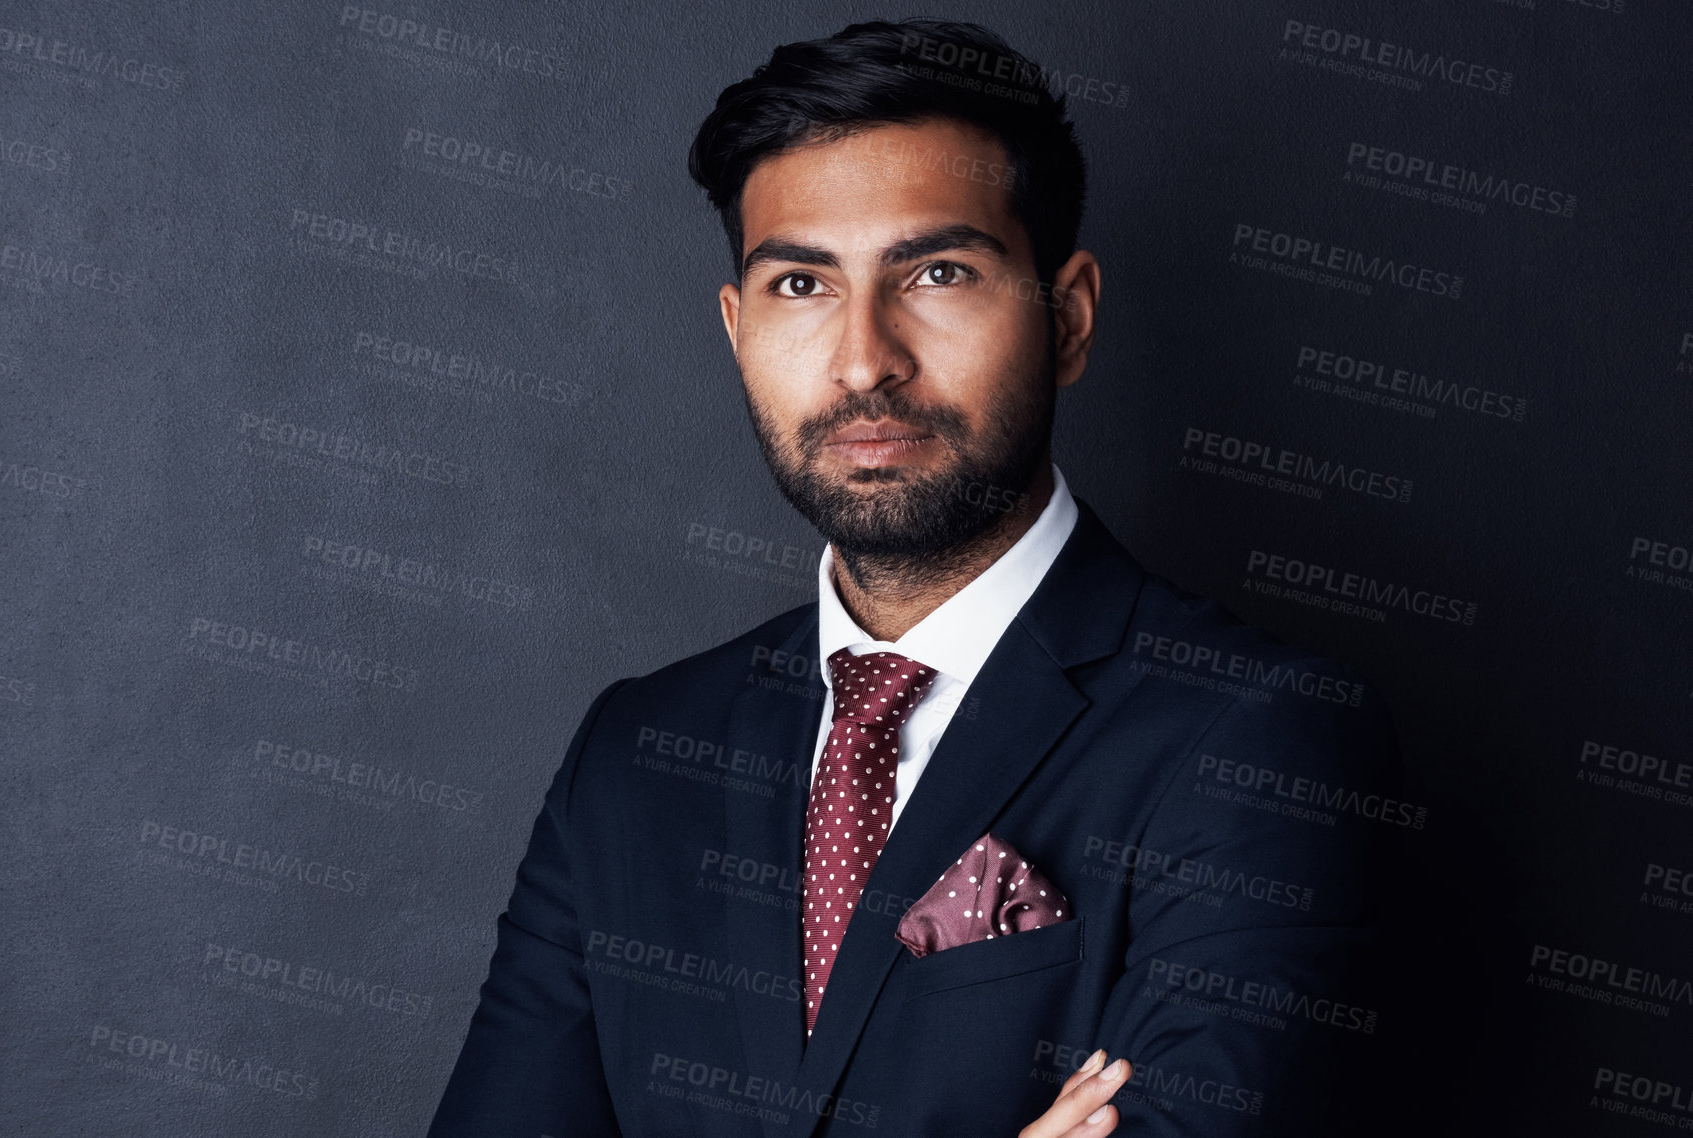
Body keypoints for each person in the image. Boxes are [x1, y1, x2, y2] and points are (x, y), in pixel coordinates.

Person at [428, 18, 1400, 1137]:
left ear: (1068, 317)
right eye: (801, 284)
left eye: (938, 272)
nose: (863, 358)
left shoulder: (1260, 741)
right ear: (738, 329)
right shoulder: (633, 754)